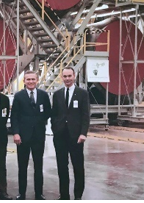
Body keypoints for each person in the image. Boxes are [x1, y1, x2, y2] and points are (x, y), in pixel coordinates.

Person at [11, 70, 51, 200]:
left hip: (38, 136)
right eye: (28, 79)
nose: (31, 82)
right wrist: (16, 133)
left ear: (37, 80)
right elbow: (14, 116)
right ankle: (21, 193)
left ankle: (39, 194)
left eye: (33, 79)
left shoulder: (43, 95)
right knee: (22, 166)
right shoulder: (19, 96)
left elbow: (47, 112)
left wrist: (39, 123)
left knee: (38, 166)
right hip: (22, 137)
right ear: (24, 81)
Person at [51, 67, 90, 200]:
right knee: (62, 167)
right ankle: (64, 196)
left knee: (78, 167)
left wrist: (83, 133)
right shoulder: (57, 94)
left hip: (76, 137)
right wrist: (55, 129)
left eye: (69, 76)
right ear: (61, 78)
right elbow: (54, 114)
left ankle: (78, 196)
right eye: (65, 76)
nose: (67, 79)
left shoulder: (82, 94)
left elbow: (85, 115)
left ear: (74, 76)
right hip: (60, 136)